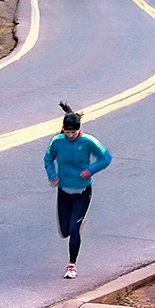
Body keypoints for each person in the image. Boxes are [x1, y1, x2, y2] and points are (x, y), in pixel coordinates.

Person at [43, 103, 111, 278]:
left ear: (79, 130)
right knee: (64, 231)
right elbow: (48, 159)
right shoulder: (57, 142)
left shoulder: (88, 141)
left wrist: (90, 170)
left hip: (82, 191)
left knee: (74, 228)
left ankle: (71, 266)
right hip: (64, 190)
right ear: (63, 129)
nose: (71, 136)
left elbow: (106, 157)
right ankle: (76, 226)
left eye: (73, 133)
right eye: (68, 132)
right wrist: (52, 175)